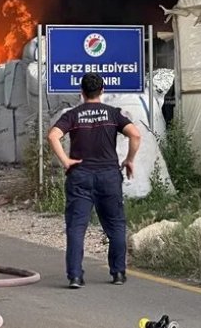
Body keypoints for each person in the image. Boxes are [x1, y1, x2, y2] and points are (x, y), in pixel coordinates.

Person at [47, 73, 141, 288]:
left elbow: (53, 135)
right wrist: (129, 160)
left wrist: (66, 161)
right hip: (108, 176)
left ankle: (75, 277)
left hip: (80, 175)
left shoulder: (73, 115)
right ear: (102, 90)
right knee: (116, 225)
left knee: (76, 227)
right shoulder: (113, 114)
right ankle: (118, 273)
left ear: (81, 92)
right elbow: (135, 135)